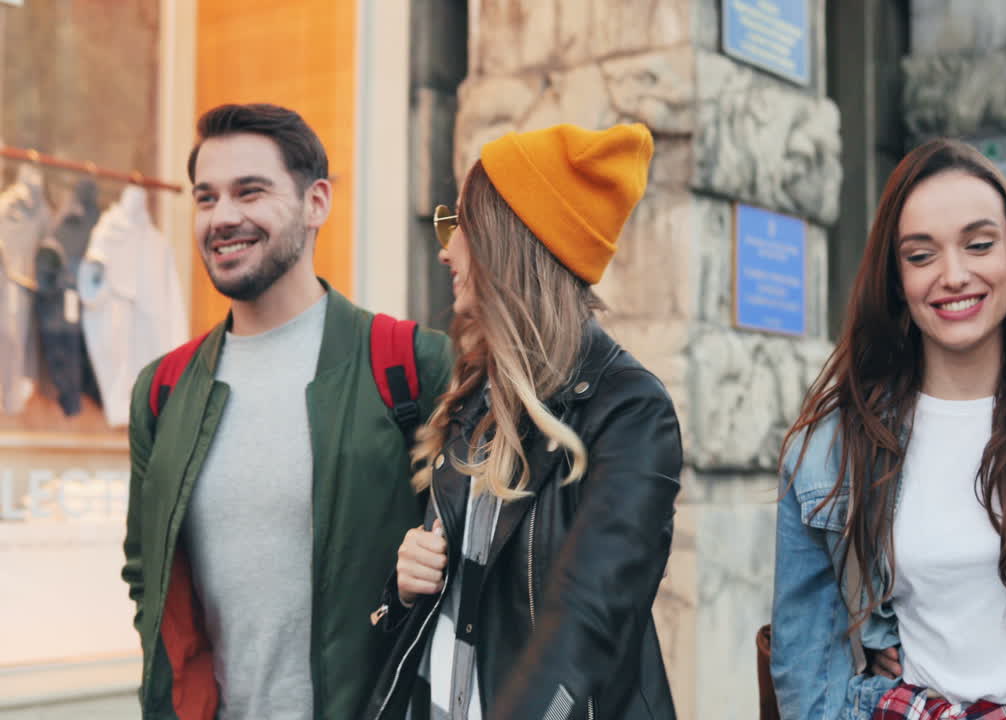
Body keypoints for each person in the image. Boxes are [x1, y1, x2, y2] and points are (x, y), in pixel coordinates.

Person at [770, 138, 1006, 720]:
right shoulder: (831, 444)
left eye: (980, 244)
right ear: (896, 279)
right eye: (921, 256)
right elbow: (805, 666)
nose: (954, 275)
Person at [121, 103, 452, 720]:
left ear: (315, 202)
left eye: (250, 192)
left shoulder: (411, 364)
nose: (223, 217)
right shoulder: (162, 390)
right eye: (205, 197)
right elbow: (149, 575)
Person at [363, 123, 682, 720]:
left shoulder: (631, 410)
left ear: (503, 242)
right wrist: (404, 587)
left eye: (458, 225)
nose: (444, 248)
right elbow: (457, 603)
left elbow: (588, 627)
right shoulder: (474, 394)